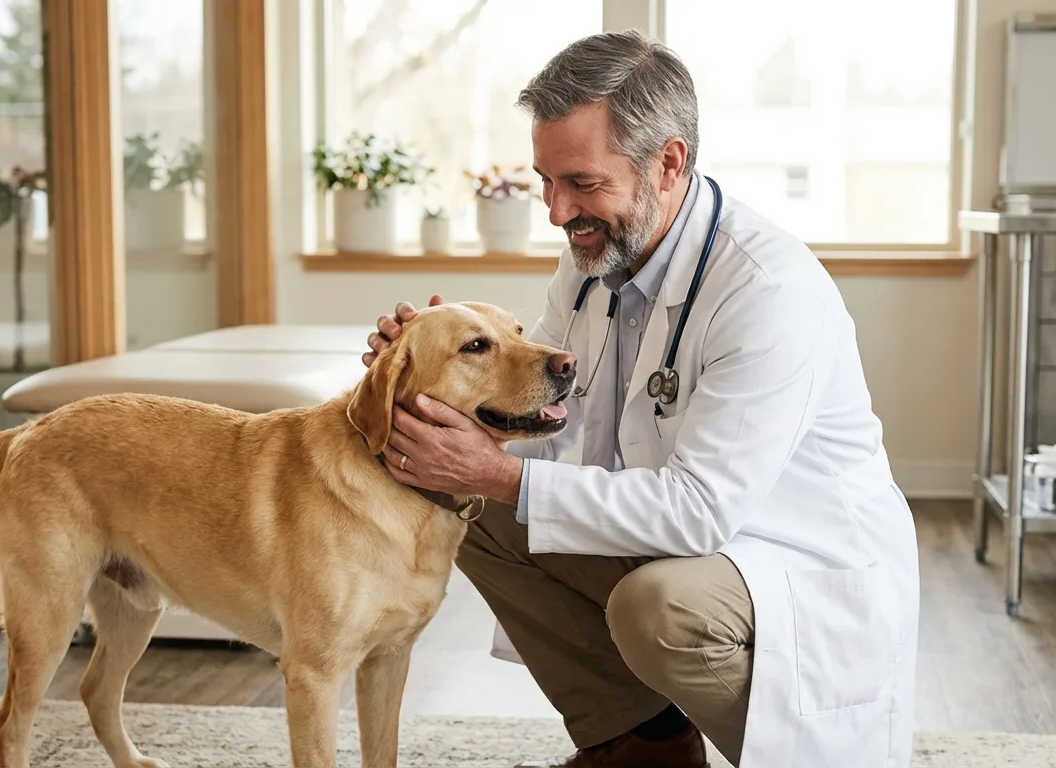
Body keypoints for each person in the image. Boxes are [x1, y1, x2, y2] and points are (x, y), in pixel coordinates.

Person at [361, 29, 919, 768]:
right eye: (546, 182)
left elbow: (698, 512)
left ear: (669, 162)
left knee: (656, 609)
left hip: (789, 562)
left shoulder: (768, 291)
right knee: (472, 505)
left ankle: (803, 757)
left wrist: (497, 472)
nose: (558, 212)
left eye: (583, 183)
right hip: (675, 535)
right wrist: (429, 370)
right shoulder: (596, 258)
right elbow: (541, 411)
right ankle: (643, 745)